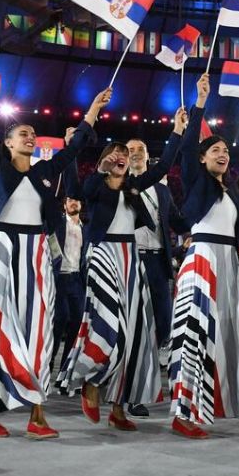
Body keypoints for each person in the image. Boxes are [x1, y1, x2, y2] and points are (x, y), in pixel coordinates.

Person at [0, 61, 106, 440]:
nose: (30, 137)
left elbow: (74, 146)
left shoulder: (45, 171)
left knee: (39, 330)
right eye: (22, 133)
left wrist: (92, 110)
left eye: (32, 134)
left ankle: (38, 416)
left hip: (37, 254)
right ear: (8, 142)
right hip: (3, 250)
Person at [58, 108, 186, 431]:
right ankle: (90, 382)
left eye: (126, 154)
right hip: (103, 254)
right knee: (108, 322)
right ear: (104, 161)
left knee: (133, 332)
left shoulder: (134, 187)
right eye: (116, 153)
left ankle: (117, 406)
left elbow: (165, 166)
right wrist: (71, 147)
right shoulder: (94, 185)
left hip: (132, 258)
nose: (123, 156)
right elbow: (73, 188)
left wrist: (177, 132)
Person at [168, 73, 239, 439]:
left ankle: (216, 401)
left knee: (228, 333)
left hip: (229, 265)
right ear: (202, 158)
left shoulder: (232, 193)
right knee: (195, 335)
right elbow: (186, 151)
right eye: (215, 150)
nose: (223, 153)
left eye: (227, 151)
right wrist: (200, 102)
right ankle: (182, 412)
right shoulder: (197, 179)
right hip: (202, 261)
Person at [125, 135, 188, 417]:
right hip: (130, 260)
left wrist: (198, 218)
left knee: (163, 324)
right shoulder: (120, 184)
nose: (136, 152)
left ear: (148, 154)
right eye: (130, 149)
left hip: (159, 263)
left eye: (140, 148)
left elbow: (175, 220)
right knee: (134, 328)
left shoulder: (161, 190)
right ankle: (131, 394)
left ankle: (150, 376)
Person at [51, 194, 85, 372]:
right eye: (70, 200)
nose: (73, 202)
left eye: (76, 200)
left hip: (76, 279)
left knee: (78, 322)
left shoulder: (85, 229)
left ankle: (65, 367)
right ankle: (49, 362)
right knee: (59, 320)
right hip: (59, 278)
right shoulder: (58, 224)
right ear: (64, 205)